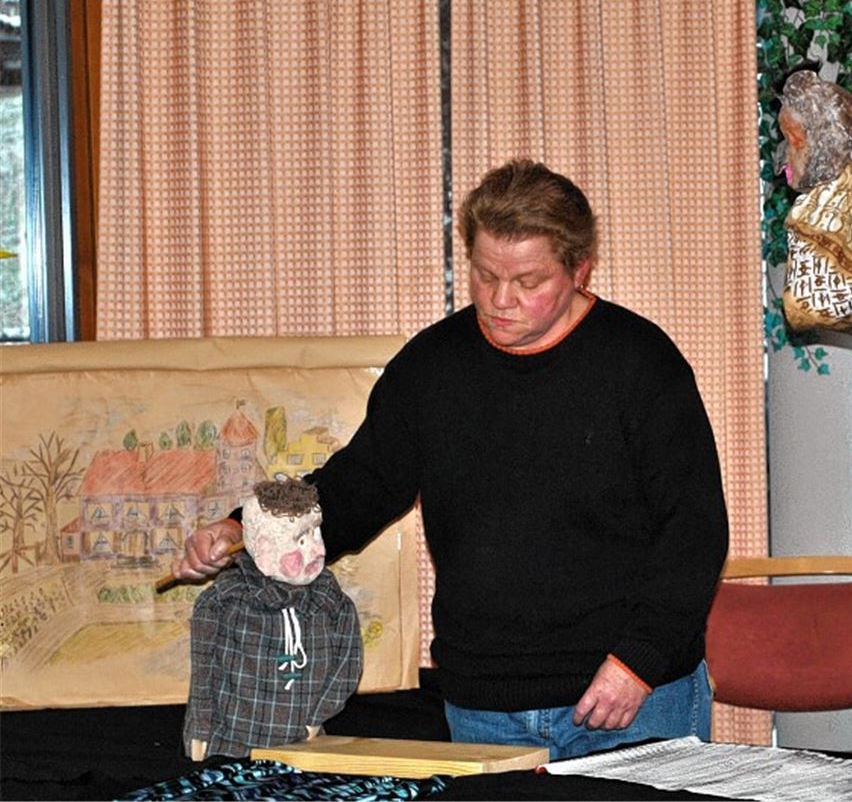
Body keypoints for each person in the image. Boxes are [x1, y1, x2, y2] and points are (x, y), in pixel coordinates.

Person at [172, 158, 730, 760]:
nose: (500, 300)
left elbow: (694, 532)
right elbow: (357, 488)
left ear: (579, 269)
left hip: (632, 697)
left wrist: (638, 663)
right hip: (482, 705)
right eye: (485, 275)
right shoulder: (433, 367)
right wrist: (244, 527)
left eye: (528, 282)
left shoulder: (641, 364)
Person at [183, 478, 363, 760]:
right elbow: (205, 673)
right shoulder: (225, 602)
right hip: (234, 750)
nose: (318, 551)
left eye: (316, 535)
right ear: (264, 549)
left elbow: (346, 668)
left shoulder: (332, 605)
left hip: (304, 749)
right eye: (301, 540)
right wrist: (200, 730)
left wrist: (316, 718)